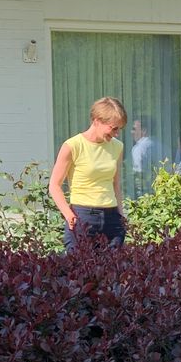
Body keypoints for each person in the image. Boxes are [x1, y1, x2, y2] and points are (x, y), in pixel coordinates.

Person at [48, 96, 128, 251]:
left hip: (112, 218)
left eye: (119, 129)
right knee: (78, 264)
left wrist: (120, 215)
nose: (117, 133)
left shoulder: (117, 146)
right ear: (97, 121)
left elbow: (115, 183)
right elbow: (54, 185)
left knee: (115, 265)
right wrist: (68, 215)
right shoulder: (73, 146)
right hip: (83, 216)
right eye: (114, 128)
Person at [128, 118, 163, 198]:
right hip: (160, 190)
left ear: (143, 131)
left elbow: (138, 174)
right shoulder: (159, 145)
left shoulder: (139, 148)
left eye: (134, 129)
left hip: (145, 193)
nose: (131, 132)